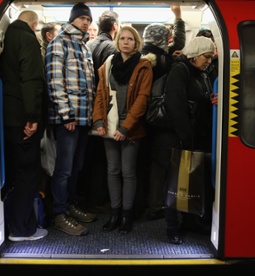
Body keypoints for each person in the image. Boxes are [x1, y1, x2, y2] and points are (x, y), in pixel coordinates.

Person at [92, 25, 153, 234]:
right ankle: (115, 213)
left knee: (128, 172)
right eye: (122, 38)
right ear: (117, 41)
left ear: (137, 43)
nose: (126, 42)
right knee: (112, 170)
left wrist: (125, 128)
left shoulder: (143, 65)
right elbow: (100, 94)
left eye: (130, 39)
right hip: (109, 124)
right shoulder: (108, 64)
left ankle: (127, 215)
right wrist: (99, 121)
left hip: (131, 128)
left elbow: (142, 100)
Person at [45, 2, 96, 236]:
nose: (86, 22)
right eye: (82, 18)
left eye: (89, 19)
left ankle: (70, 205)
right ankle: (59, 213)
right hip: (69, 118)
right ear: (72, 18)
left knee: (77, 167)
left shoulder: (84, 47)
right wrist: (66, 114)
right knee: (63, 169)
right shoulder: (59, 43)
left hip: (85, 118)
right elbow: (55, 82)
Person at [0, 10, 48, 242]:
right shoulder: (27, 39)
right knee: (28, 172)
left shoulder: (6, 36)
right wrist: (32, 116)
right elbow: (31, 80)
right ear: (34, 25)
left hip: (8, 116)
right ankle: (22, 229)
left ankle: (15, 224)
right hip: (22, 119)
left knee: (17, 173)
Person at [162, 36, 217, 244]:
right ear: (194, 54)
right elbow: (175, 106)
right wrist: (186, 139)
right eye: (206, 56)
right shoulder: (180, 70)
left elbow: (201, 101)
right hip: (179, 138)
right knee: (174, 184)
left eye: (211, 57)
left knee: (191, 183)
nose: (209, 61)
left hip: (195, 138)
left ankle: (189, 222)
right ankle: (172, 227)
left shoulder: (201, 74)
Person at [141, 5, 186, 221]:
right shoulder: (166, 60)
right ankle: (156, 205)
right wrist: (178, 17)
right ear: (162, 39)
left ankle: (142, 203)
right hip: (157, 119)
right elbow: (178, 44)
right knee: (158, 164)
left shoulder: (138, 56)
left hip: (139, 117)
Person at [79, 10, 119, 213]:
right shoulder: (111, 47)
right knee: (102, 160)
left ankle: (87, 199)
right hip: (102, 108)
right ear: (114, 27)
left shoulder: (88, 44)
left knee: (88, 158)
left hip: (86, 108)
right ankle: (98, 199)